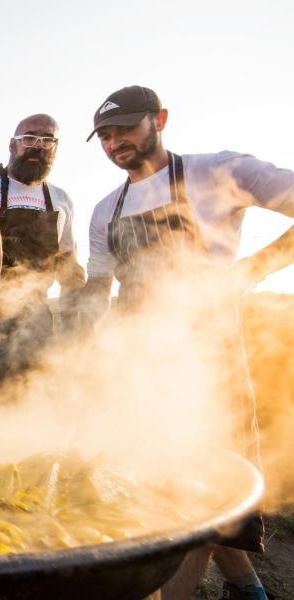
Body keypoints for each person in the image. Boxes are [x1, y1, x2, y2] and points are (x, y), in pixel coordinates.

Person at [82, 85, 294, 600]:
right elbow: (96, 290)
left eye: (125, 129)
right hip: (138, 365)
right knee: (159, 481)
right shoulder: (106, 210)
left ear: (161, 119)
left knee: (196, 488)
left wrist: (247, 272)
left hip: (207, 362)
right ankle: (246, 588)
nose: (115, 143)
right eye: (105, 136)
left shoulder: (218, 172)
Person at [0, 114, 85, 383]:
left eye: (47, 140)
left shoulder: (61, 201)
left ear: (56, 149)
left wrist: (81, 324)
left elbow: (68, 267)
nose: (37, 145)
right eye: (29, 138)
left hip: (34, 321)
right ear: (12, 145)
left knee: (27, 400)